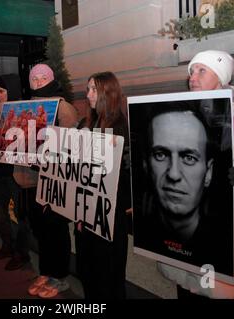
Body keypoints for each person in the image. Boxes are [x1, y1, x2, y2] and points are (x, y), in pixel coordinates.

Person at [157, 50, 234, 299]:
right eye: (192, 71)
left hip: (225, 243)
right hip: (185, 244)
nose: (193, 76)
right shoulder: (180, 120)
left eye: (202, 70)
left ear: (221, 79)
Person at [133, 102, 233, 275]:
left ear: (208, 172)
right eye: (160, 155)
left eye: (189, 158)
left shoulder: (225, 246)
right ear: (146, 166)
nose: (173, 174)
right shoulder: (141, 233)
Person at [16, 63, 78, 298]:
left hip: (54, 182)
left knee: (55, 229)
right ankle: (46, 270)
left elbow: (72, 148)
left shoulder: (63, 108)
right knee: (41, 230)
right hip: (31, 180)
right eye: (35, 78)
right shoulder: (26, 107)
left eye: (43, 78)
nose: (39, 81)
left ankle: (60, 277)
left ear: (51, 79)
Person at [74, 71, 131, 299]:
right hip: (87, 209)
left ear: (108, 92)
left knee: (108, 271)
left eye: (93, 89)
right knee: (88, 269)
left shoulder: (118, 125)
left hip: (109, 213)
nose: (88, 95)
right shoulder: (87, 122)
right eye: (87, 89)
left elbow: (118, 173)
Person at [0, 74, 31, 270]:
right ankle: (8, 245)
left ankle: (21, 254)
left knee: (18, 215)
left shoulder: (24, 111)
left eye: (2, 91)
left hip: (16, 171)